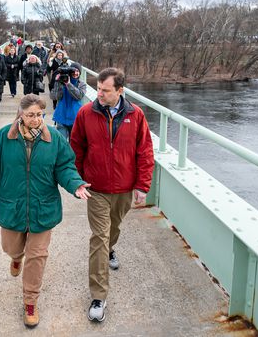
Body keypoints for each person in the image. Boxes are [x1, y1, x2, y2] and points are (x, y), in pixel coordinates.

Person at [0, 94, 92, 328]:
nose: (35, 119)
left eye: (39, 114)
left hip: (43, 208)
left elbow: (65, 167)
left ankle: (30, 302)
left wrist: (75, 183)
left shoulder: (55, 139)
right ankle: (16, 258)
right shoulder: (3, 138)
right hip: (12, 207)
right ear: (21, 114)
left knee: (37, 256)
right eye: (30, 115)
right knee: (11, 247)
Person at [69, 67, 155, 323]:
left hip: (124, 188)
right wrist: (77, 180)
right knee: (99, 237)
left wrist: (142, 185)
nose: (99, 94)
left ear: (120, 91)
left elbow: (145, 152)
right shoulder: (86, 113)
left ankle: (111, 248)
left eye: (105, 90)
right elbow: (76, 148)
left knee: (112, 230)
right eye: (98, 89)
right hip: (95, 188)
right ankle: (98, 295)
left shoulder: (136, 115)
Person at [50, 62, 85, 140]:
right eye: (73, 71)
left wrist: (68, 84)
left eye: (77, 71)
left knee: (74, 142)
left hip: (75, 117)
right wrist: (56, 83)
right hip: (61, 115)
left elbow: (78, 96)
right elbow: (54, 97)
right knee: (62, 142)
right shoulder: (61, 82)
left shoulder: (81, 84)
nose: (75, 73)